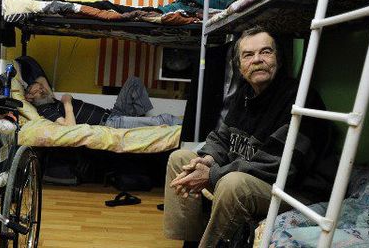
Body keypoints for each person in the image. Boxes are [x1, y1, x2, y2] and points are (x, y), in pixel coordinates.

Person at [163, 26, 331, 248]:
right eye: (248, 55)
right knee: (181, 159)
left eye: (266, 52)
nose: (258, 60)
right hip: (259, 180)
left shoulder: (300, 99)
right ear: (240, 67)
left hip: (296, 192)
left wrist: (212, 174)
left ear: (278, 60)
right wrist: (206, 160)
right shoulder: (244, 94)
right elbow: (222, 138)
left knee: (233, 184)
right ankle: (191, 240)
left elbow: (278, 167)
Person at [24, 76, 182, 129]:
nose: (42, 89)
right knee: (164, 119)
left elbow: (41, 78)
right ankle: (188, 126)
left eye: (42, 88)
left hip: (112, 113)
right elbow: (69, 127)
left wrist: (38, 88)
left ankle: (138, 122)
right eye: (37, 91)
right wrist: (67, 103)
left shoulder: (49, 99)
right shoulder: (45, 110)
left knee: (134, 82)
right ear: (29, 98)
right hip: (109, 123)